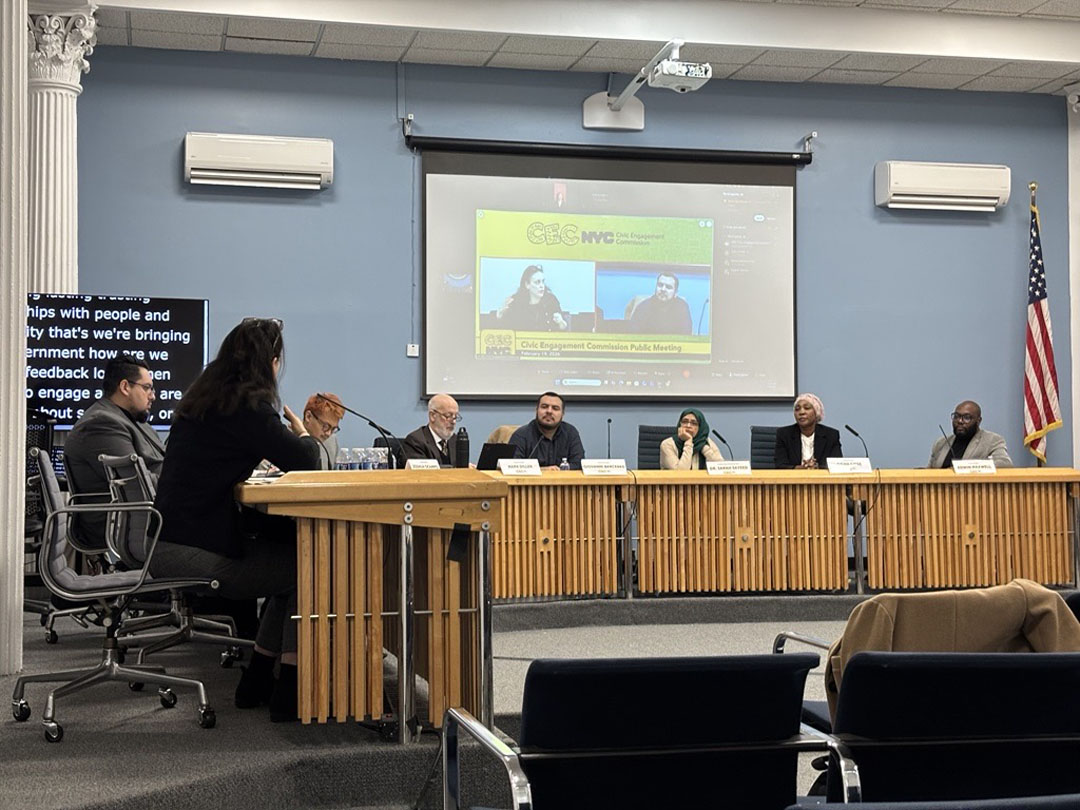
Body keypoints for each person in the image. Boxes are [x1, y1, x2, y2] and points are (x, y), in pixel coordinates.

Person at [150, 317, 320, 721]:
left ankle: (258, 679)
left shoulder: (206, 400)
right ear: (271, 364)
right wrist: (303, 433)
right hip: (193, 550)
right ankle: (289, 692)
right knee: (308, 568)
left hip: (170, 539)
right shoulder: (247, 407)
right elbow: (306, 459)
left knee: (287, 558)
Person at [64, 354, 164, 550]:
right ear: (125, 387)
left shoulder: (133, 420)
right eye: (147, 388)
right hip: (126, 527)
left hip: (147, 516)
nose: (152, 396)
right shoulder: (101, 423)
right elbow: (137, 485)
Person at [508, 391, 585, 470]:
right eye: (544, 407)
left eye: (555, 408)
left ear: (562, 414)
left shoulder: (570, 433)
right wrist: (543, 470)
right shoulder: (521, 435)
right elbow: (511, 467)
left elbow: (579, 464)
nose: (549, 411)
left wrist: (558, 471)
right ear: (536, 410)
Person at [928, 400, 1013, 468]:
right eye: (956, 416)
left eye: (966, 418)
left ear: (978, 421)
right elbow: (929, 471)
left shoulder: (992, 440)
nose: (960, 421)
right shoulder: (941, 443)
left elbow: (1005, 464)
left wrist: (964, 467)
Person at [774, 393, 843, 469]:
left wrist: (817, 468)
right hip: (794, 476)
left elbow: (837, 465)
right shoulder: (784, 434)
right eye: (797, 409)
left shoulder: (831, 435)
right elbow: (780, 465)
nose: (801, 412)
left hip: (821, 476)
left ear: (816, 412)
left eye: (807, 408)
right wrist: (801, 468)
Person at [496, 265, 568, 331]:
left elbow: (563, 327)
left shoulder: (551, 300)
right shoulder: (516, 302)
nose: (541, 286)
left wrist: (561, 322)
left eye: (543, 282)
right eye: (537, 282)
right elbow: (506, 328)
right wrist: (499, 316)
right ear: (527, 285)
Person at [403, 393, 464, 467]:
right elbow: (422, 472)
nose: (453, 422)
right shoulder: (415, 441)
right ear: (432, 416)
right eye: (448, 416)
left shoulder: (455, 440)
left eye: (455, 417)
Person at [628, 273, 692, 335]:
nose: (663, 289)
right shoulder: (643, 307)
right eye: (660, 285)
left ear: (675, 293)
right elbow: (633, 334)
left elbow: (686, 334)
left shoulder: (682, 307)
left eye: (668, 287)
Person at [302, 392, 344, 470]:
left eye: (333, 429)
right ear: (308, 416)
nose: (328, 433)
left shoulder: (331, 442)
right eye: (326, 426)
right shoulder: (287, 438)